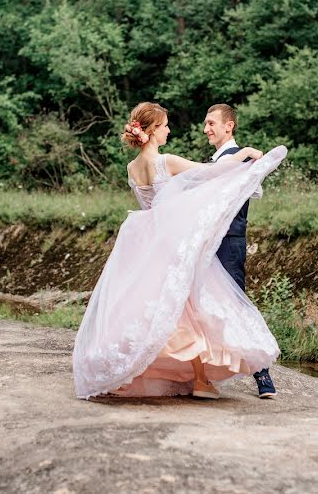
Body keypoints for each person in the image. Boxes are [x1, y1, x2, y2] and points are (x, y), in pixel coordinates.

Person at [72, 102, 287, 399]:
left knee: (145, 308)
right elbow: (211, 173)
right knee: (185, 309)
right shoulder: (166, 161)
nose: (169, 130)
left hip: (144, 243)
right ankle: (200, 380)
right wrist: (246, 155)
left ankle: (127, 371)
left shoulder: (131, 168)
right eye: (165, 126)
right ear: (152, 131)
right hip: (168, 243)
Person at [203, 103, 277, 398]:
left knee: (235, 302)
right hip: (207, 241)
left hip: (229, 241)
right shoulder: (217, 160)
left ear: (228, 125)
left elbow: (247, 193)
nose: (206, 129)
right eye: (206, 124)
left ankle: (263, 375)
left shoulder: (242, 158)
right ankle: (201, 372)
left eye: (211, 123)